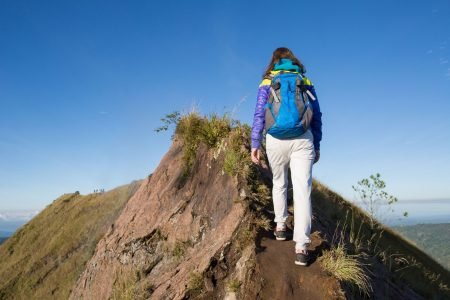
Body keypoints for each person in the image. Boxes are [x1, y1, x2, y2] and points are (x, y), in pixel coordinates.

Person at [250, 47, 322, 266]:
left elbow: (259, 113)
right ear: (293, 61)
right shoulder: (304, 80)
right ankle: (301, 248)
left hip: (275, 140)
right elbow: (316, 114)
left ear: (274, 62)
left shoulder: (267, 82)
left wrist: (255, 142)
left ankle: (281, 227)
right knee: (302, 191)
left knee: (279, 183)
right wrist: (316, 143)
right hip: (303, 138)